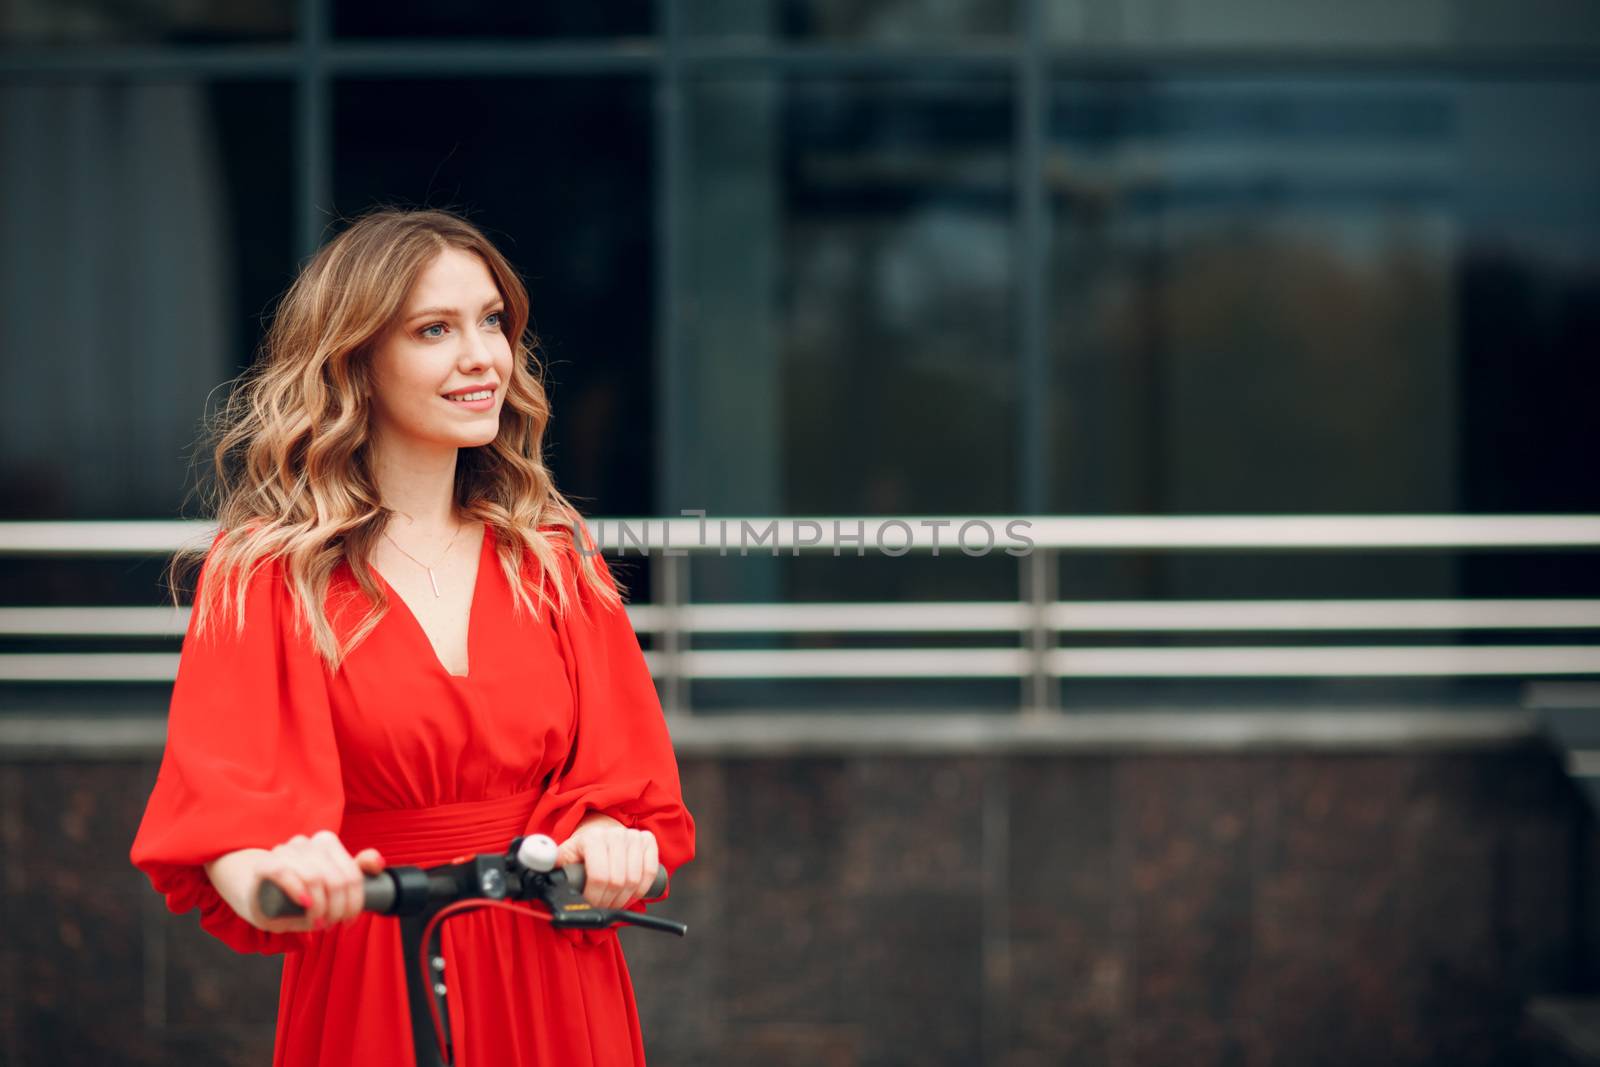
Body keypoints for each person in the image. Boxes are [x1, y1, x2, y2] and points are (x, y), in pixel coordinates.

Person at [127, 206, 695, 1066]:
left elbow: (633, 794)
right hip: (373, 966)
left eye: (492, 321)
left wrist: (617, 841)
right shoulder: (265, 570)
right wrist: (278, 883)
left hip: (555, 974)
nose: (482, 357)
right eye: (435, 329)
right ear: (356, 359)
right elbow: (223, 828)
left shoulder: (550, 551)